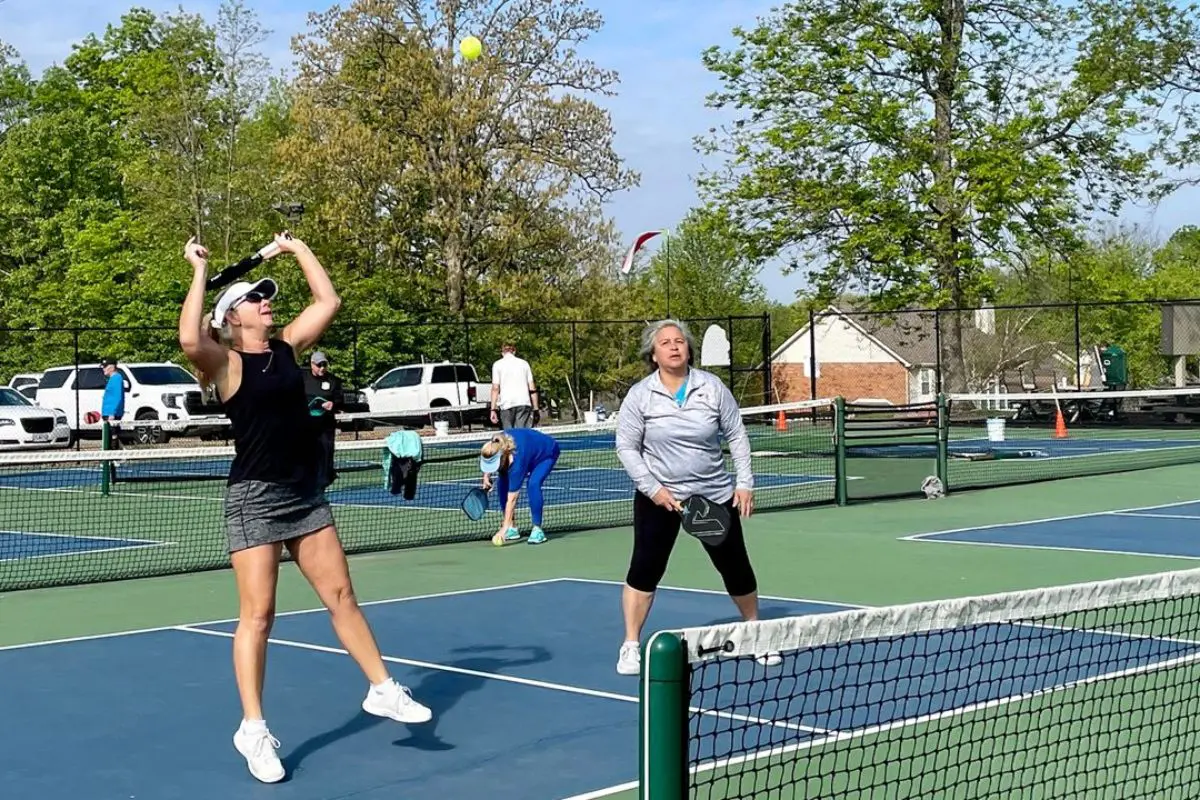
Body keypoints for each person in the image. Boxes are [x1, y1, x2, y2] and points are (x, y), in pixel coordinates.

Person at [177, 233, 431, 785]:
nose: (267, 300)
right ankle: (253, 728)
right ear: (232, 316)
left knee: (341, 595)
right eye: (255, 297)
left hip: (305, 493)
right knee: (259, 616)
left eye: (267, 295)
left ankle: (382, 689)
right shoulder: (224, 363)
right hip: (256, 498)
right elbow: (187, 337)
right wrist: (199, 269)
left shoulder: (288, 347)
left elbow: (329, 302)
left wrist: (297, 251)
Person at [613, 319, 780, 676]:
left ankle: (755, 632)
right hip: (660, 499)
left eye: (680, 341)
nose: (674, 347)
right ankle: (630, 645)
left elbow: (736, 435)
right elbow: (626, 447)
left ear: (688, 349)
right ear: (653, 354)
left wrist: (745, 482)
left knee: (735, 567)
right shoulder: (640, 395)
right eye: (665, 343)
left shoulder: (712, 387)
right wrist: (654, 490)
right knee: (644, 569)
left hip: (713, 495)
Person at [478, 427, 560, 545]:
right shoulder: (495, 442)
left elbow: (512, 499)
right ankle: (512, 527)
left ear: (503, 456)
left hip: (547, 453)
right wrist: (486, 476)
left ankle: (537, 529)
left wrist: (503, 529)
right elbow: (489, 456)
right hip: (529, 450)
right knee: (502, 483)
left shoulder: (517, 463)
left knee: (533, 484)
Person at [303, 350, 344, 489]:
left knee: (325, 453)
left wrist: (333, 404)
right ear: (312, 364)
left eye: (324, 365)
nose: (322, 368)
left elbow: (340, 400)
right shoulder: (302, 378)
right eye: (319, 365)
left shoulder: (333, 380)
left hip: (325, 426)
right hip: (306, 426)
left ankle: (324, 481)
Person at [489, 343, 539, 429]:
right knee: (522, 433)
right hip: (523, 401)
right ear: (514, 351)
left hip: (506, 403)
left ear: (502, 353)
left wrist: (493, 409)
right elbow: (532, 388)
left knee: (509, 436)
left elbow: (495, 388)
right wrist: (536, 408)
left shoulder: (497, 365)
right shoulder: (524, 364)